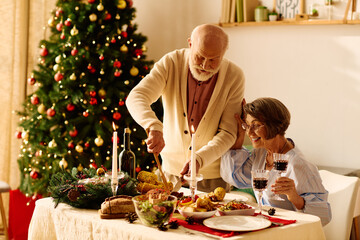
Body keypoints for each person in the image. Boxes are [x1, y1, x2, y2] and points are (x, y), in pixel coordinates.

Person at [126, 24, 245, 192]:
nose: (204, 65)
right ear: (190, 44)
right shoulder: (171, 62)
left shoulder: (235, 76)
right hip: (169, 173)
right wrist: (153, 126)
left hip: (212, 178)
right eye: (199, 56)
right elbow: (136, 96)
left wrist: (200, 159)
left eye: (213, 60)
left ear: (224, 52)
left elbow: (228, 132)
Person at [220, 97, 331, 226]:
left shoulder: (298, 164)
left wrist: (294, 196)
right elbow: (236, 177)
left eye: (255, 125)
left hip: (289, 231)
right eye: (247, 125)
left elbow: (323, 216)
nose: (249, 132)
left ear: (274, 126)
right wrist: (239, 135)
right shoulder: (261, 153)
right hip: (266, 224)